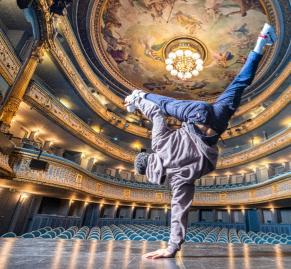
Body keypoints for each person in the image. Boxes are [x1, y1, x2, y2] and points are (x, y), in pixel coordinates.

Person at [124, 23, 276, 259]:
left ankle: (262, 43)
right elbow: (156, 114)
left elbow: (179, 211)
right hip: (198, 114)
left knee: (239, 85)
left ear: (149, 174)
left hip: (214, 128)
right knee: (164, 105)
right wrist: (140, 102)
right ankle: (262, 39)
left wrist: (172, 247)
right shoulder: (159, 146)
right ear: (147, 158)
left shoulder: (176, 180)